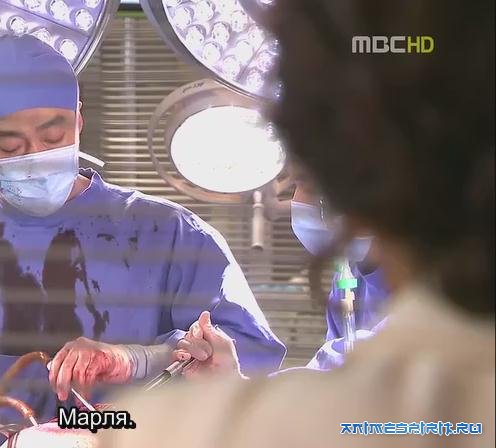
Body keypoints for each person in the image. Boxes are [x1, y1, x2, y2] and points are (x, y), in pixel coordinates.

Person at [0, 34, 285, 432]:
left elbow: (243, 358)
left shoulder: (169, 234)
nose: (36, 155)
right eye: (9, 145)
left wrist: (134, 359)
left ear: (79, 120)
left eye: (53, 135)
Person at [99, 1, 494, 447]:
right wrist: (233, 383)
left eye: (303, 179)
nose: (298, 200)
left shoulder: (169, 431)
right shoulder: (358, 288)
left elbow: (357, 417)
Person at [288, 168, 390, 369]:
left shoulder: (423, 281)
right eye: (296, 186)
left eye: (307, 187)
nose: (297, 202)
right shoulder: (346, 280)